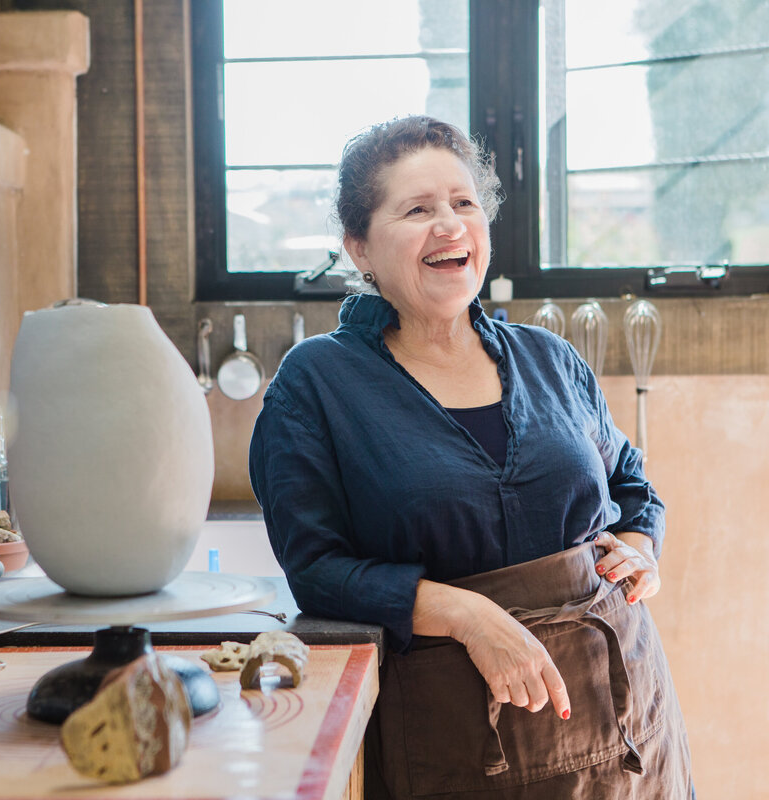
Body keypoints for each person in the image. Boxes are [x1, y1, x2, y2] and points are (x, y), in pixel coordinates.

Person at [248, 116, 693, 799]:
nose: (450, 225)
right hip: (452, 738)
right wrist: (466, 615)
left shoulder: (551, 360)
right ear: (359, 247)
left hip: (624, 723)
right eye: (418, 209)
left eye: (464, 204)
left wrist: (639, 546)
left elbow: (632, 484)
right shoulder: (315, 384)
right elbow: (317, 571)